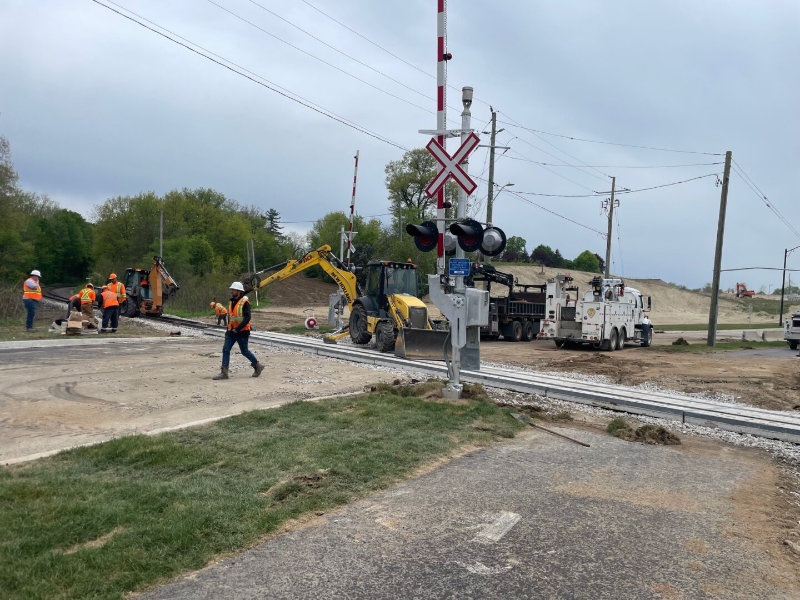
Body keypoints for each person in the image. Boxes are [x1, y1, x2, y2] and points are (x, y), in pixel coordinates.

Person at [213, 282, 264, 380]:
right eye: (231, 289)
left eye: (233, 290)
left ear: (239, 291)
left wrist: (238, 328)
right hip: (231, 331)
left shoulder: (245, 303)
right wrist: (229, 328)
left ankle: (257, 366)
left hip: (242, 332)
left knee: (244, 351)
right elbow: (232, 316)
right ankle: (224, 373)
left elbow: (247, 317)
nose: (231, 291)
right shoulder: (231, 302)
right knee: (225, 349)